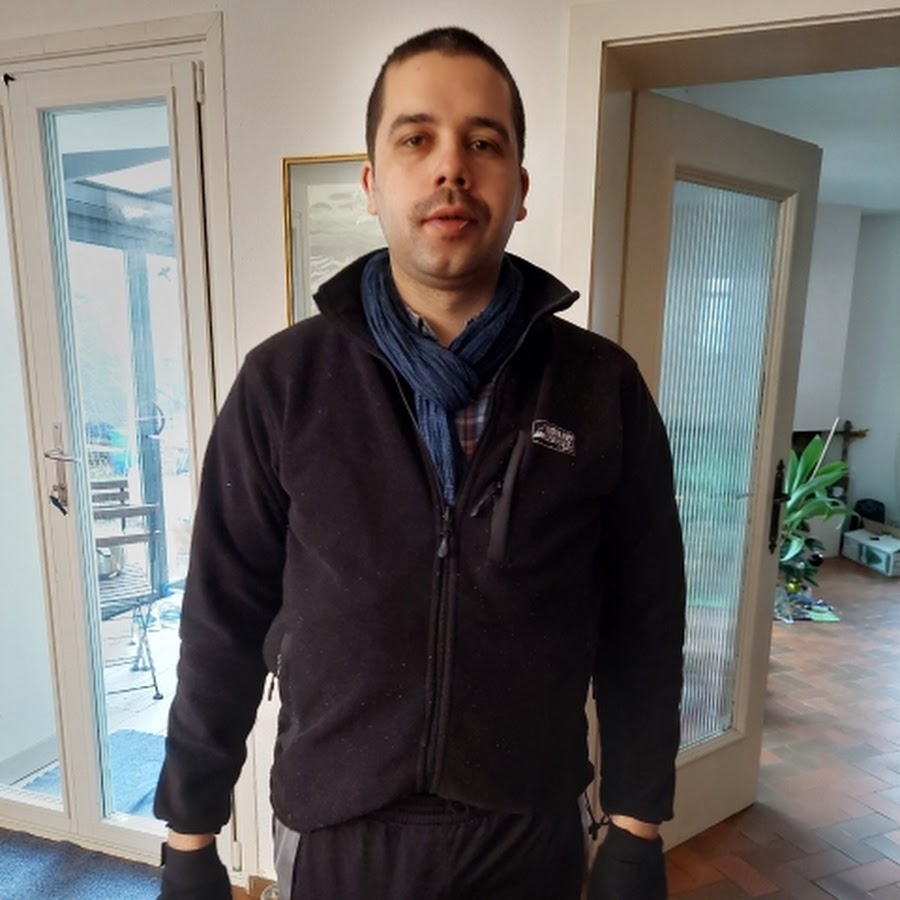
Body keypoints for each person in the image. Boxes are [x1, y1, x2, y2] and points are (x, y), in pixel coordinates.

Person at [155, 26, 685, 900]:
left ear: (519, 188)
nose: (451, 168)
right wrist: (189, 831)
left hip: (529, 826)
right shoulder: (283, 384)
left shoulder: (600, 388)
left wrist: (637, 820)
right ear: (372, 182)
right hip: (336, 826)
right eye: (416, 139)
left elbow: (645, 620)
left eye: (484, 143)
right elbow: (223, 616)